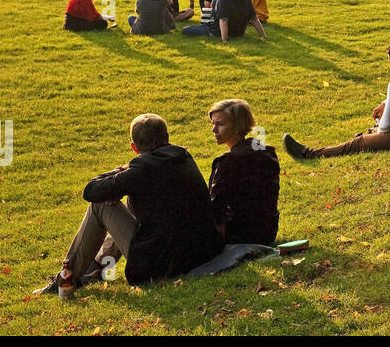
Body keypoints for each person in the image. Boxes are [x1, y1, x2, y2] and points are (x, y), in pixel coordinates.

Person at [35, 114, 222, 293]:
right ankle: (96, 268)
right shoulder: (183, 157)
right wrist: (125, 177)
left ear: (134, 147)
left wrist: (117, 174)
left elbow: (91, 191)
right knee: (120, 204)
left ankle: (66, 278)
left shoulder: (142, 169)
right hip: (201, 253)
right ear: (167, 138)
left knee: (100, 205)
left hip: (162, 265)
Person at [283, 41, 390, 157]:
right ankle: (367, 134)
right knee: (372, 132)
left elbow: (386, 127)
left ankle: (309, 154)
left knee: (358, 143)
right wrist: (386, 104)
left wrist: (377, 128)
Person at [208, 99, 279, 245]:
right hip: (268, 231)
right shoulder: (266, 152)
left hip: (239, 236)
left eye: (220, 124)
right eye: (213, 124)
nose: (214, 130)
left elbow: (215, 209)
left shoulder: (228, 162)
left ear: (237, 126)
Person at [182, 0, 266, 41]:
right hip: (239, 33)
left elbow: (223, 20)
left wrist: (224, 40)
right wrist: (263, 36)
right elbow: (255, 20)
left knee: (186, 30)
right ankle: (208, 22)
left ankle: (208, 24)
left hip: (217, 31)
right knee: (215, 1)